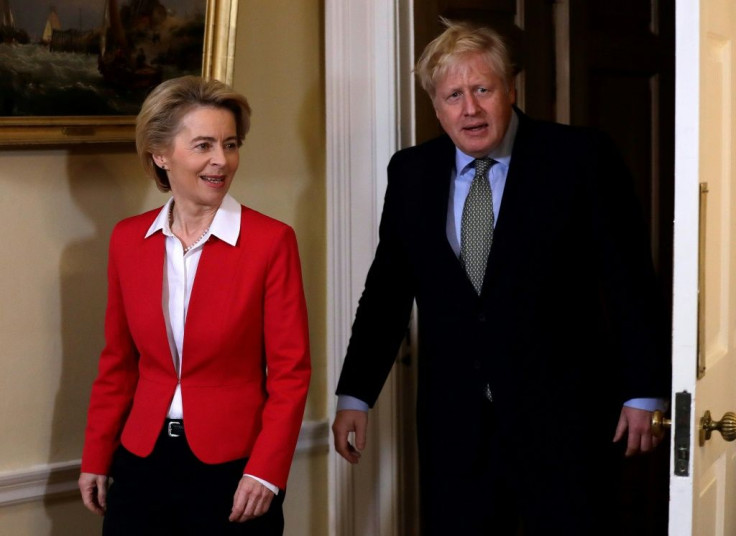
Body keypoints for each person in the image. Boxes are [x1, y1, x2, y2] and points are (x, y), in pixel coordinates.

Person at [332, 19, 669, 535]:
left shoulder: (580, 157)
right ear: (435, 106)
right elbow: (387, 292)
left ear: (510, 89)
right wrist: (356, 394)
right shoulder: (411, 172)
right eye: (452, 95)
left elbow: (628, 280)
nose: (469, 108)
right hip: (455, 428)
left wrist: (643, 389)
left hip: (564, 424)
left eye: (482, 89)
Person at [78, 76, 311, 535]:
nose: (221, 161)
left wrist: (265, 470)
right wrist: (97, 454)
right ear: (160, 155)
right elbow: (118, 364)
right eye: (203, 145)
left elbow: (291, 372)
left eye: (230, 144)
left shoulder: (271, 242)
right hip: (141, 463)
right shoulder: (128, 240)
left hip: (233, 469)